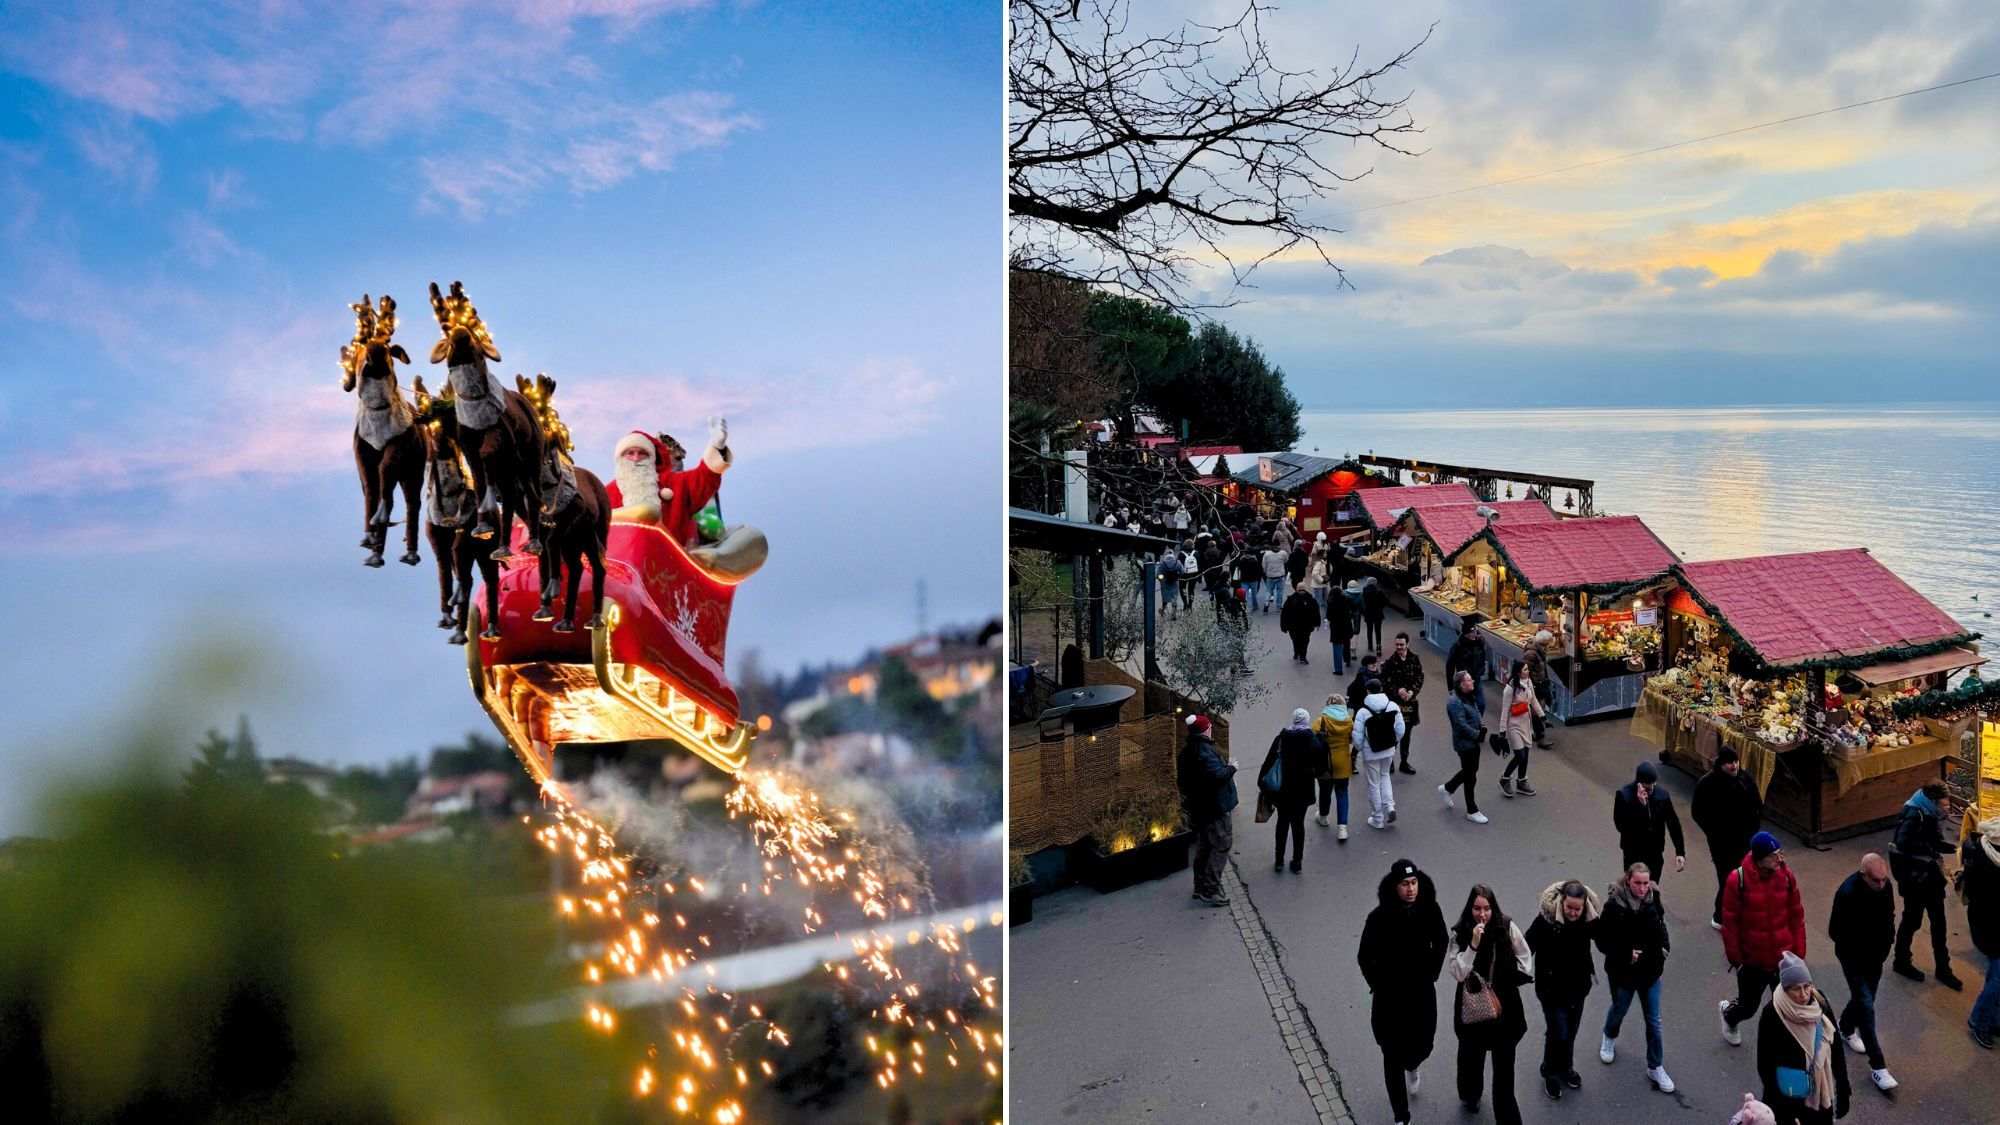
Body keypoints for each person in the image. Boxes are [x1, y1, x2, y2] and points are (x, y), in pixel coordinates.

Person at [1358, 859, 1449, 1125]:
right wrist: (1378, 983)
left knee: (1424, 1045)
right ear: (1394, 886)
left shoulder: (1429, 909)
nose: (1411, 889)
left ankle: (1414, 1064)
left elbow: (1442, 940)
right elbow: (1364, 956)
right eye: (1405, 884)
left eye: (1414, 883)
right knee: (1391, 1057)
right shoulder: (1378, 918)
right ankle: (1401, 1116)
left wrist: (1432, 972)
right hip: (1390, 1000)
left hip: (1420, 994)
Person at [1447, 884, 1531, 1123]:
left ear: (1493, 908)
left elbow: (1525, 959)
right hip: (1472, 1008)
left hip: (1504, 1010)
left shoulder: (1506, 927)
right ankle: (1471, 1095)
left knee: (1504, 1073)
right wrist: (1472, 945)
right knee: (1471, 1059)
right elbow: (1458, 973)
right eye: (1476, 908)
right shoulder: (1460, 933)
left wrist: (1509, 976)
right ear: (1469, 908)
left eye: (1486, 908)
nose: (1481, 914)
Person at [1720, 832, 1807, 1045]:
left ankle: (1781, 1045)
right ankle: (1729, 1016)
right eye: (1774, 856)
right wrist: (1736, 958)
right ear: (1760, 858)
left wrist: (1799, 952)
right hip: (1753, 960)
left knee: (1788, 1005)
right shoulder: (1737, 879)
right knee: (1748, 1007)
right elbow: (1730, 922)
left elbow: (1796, 914)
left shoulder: (1786, 876)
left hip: (1783, 958)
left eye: (1780, 854)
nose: (1780, 859)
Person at [1596, 861, 1675, 1093]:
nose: (1642, 888)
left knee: (1654, 1021)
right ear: (1628, 880)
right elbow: (1602, 940)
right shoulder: (1614, 905)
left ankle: (1655, 1065)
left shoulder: (1653, 898)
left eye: (1645, 883)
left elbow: (1661, 924)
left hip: (1650, 972)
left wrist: (1664, 948)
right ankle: (1609, 1036)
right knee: (1619, 1008)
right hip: (1623, 973)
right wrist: (1625, 954)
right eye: (1637, 883)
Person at [1827, 853, 1897, 1091]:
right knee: (1866, 1007)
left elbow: (1890, 918)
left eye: (1884, 879)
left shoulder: (1886, 887)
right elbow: (1835, 930)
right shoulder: (1847, 893)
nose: (1881, 884)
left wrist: (1887, 944)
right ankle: (1878, 1066)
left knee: (1864, 1001)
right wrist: (1855, 952)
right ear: (1864, 874)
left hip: (1875, 958)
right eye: (1876, 880)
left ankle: (1845, 1027)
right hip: (1854, 960)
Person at [1755, 953, 1850, 1125]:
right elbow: (1765, 1065)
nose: (1804, 994)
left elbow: (1835, 1046)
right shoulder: (1773, 1013)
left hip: (1818, 1091)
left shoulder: (1818, 1001)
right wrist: (1786, 1113)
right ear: (1785, 989)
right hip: (1786, 1095)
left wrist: (1843, 1086)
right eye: (1796, 989)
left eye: (1807, 986)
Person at [1526, 880, 1599, 1100]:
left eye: (1578, 908)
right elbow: (1526, 946)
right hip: (1551, 991)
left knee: (1571, 1032)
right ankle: (1550, 1072)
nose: (1573, 912)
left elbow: (1606, 941)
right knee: (1559, 1032)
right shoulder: (1545, 921)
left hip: (1578, 989)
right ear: (1561, 902)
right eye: (1569, 907)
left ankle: (1566, 1068)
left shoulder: (1588, 920)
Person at [1889, 781, 1963, 989]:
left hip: (1930, 877)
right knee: (1913, 921)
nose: (1948, 804)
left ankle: (1943, 968)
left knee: (1938, 924)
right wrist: (1932, 846)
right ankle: (1902, 961)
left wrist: (1947, 847)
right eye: (1945, 800)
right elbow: (1903, 842)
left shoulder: (1929, 812)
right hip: (1916, 879)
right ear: (1932, 801)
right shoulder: (1915, 814)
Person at [1693, 747, 1765, 928]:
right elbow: (1698, 813)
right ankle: (1720, 915)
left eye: (1735, 762)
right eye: (1729, 763)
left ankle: (1738, 912)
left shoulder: (1745, 779)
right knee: (1727, 878)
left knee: (1743, 877)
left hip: (1746, 840)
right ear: (1721, 763)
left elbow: (1757, 804)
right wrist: (1714, 832)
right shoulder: (1708, 784)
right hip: (1721, 843)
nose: (1733, 766)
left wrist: (1754, 829)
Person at [1176, 714, 1236, 907]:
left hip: (1199, 808)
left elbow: (1183, 783)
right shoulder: (1204, 751)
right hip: (1214, 808)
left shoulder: (1186, 753)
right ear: (1206, 729)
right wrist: (1232, 768)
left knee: (1204, 846)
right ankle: (1211, 889)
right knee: (1221, 844)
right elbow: (1217, 776)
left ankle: (1199, 885)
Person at [1258, 708, 1324, 873]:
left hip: (1282, 789)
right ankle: (1297, 862)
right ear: (1307, 721)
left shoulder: (1281, 738)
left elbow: (1269, 760)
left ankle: (1279, 860)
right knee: (1298, 825)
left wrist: (1262, 782)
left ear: (1294, 720)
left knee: (1282, 823)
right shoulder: (1312, 740)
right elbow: (1321, 767)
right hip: (1302, 791)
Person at [1962, 815, 2000, 1049]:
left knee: (1995, 978)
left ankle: (1993, 1019)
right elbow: (1990, 903)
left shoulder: (1985, 857)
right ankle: (1979, 1021)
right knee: (1998, 980)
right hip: (1993, 931)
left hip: (1991, 927)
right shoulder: (1987, 867)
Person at [1613, 760, 1687, 878]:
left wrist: (1680, 852)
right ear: (1639, 784)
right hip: (1633, 853)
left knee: (1653, 890)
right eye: (1648, 788)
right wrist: (1640, 807)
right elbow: (1621, 826)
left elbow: (1673, 823)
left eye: (1653, 785)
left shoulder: (1662, 796)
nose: (1651, 789)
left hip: (1654, 853)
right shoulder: (1624, 796)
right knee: (1635, 890)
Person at [1355, 681, 1406, 830]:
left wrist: (1361, 749)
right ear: (1381, 689)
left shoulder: (1363, 712)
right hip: (1388, 749)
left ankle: (1377, 818)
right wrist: (1392, 742)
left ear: (1368, 691)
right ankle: (1390, 807)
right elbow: (1401, 730)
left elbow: (1357, 739)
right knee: (1385, 777)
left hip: (1371, 752)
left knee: (1374, 783)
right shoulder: (1393, 706)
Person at [1440, 671, 1489, 824]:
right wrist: (1477, 734)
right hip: (1464, 744)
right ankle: (1472, 810)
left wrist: (1481, 728)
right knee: (1470, 776)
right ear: (1461, 685)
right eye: (1469, 680)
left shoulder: (1468, 697)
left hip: (1472, 742)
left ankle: (1448, 787)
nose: (1472, 681)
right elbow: (1460, 725)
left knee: (1471, 771)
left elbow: (1474, 715)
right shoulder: (1455, 702)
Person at [1380, 633, 1425, 773]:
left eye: (1402, 645)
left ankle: (1404, 762)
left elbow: (1420, 677)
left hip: (1410, 703)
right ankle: (1390, 761)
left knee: (1407, 733)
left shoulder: (1415, 659)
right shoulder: (1390, 662)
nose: (1399, 647)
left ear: (1408, 644)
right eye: (1397, 644)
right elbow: (1384, 681)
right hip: (1394, 703)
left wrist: (1412, 692)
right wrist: (1397, 691)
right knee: (1393, 733)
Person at [1312, 695, 1355, 840]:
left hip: (1325, 764)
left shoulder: (1320, 722)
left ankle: (1323, 816)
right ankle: (1342, 828)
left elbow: (1312, 741)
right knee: (1342, 793)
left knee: (1325, 791)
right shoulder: (1349, 722)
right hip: (1343, 763)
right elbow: (1351, 739)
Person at [1497, 660, 1541, 798]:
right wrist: (1502, 731)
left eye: (1527, 669)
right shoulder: (1509, 689)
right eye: (1525, 670)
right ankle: (1504, 779)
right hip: (1513, 725)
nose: (1528, 672)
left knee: (1526, 753)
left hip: (1525, 723)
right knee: (1520, 755)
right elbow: (1505, 710)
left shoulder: (1528, 682)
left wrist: (1542, 715)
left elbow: (1533, 699)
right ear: (1518, 672)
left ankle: (1521, 781)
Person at [1444, 622, 1490, 712]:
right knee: (1466, 706)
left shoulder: (1479, 643)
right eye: (1472, 633)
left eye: (1475, 631)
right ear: (1465, 634)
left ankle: (1476, 722)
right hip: (1463, 681)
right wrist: (1451, 687)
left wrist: (1481, 670)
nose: (1475, 634)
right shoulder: (1457, 647)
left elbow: (1482, 657)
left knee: (1481, 704)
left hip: (1476, 679)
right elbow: (1449, 667)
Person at [1524, 632, 1556, 747]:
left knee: (1538, 710)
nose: (1548, 646)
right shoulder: (1532, 653)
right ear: (1543, 642)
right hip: (1535, 685)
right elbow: (1525, 670)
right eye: (1547, 643)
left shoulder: (1538, 650)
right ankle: (1541, 737)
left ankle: (1537, 734)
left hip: (1540, 684)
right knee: (1537, 711)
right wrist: (1530, 685)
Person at [1279, 586, 1321, 664]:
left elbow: (1316, 612)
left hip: (1305, 626)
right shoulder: (1291, 600)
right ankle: (1297, 652)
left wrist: (1317, 623)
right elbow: (1285, 614)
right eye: (1300, 590)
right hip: (1294, 626)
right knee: (1296, 640)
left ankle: (1302, 656)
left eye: (1303, 590)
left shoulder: (1310, 600)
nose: (1301, 591)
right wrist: (1284, 625)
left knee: (1304, 641)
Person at [1324, 577, 1354, 675]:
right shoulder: (1346, 601)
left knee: (1337, 647)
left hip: (1336, 628)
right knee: (1347, 644)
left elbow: (1329, 616)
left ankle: (1338, 669)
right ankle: (1348, 660)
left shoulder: (1331, 603)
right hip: (1346, 626)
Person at [1258, 541, 1288, 613]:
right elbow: (1286, 561)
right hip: (1280, 575)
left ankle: (1266, 603)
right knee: (1280, 592)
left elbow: (1264, 566)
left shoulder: (1267, 554)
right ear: (1279, 545)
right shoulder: (1283, 553)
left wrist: (1266, 572)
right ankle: (1278, 606)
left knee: (1268, 590)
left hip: (1270, 576)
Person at [1362, 577, 1388, 653]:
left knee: (1369, 630)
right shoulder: (1378, 591)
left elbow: (1363, 600)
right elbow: (1386, 601)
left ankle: (1370, 645)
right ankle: (1378, 646)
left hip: (1368, 613)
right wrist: (1381, 607)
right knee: (1378, 630)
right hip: (1378, 613)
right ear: (1375, 583)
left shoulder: (1364, 590)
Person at [1305, 544, 1332, 612]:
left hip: (1324, 584)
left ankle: (1327, 615)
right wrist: (1322, 580)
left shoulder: (1324, 562)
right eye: (1325, 553)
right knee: (1318, 600)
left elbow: (1330, 569)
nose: (1326, 554)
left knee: (1326, 600)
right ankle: (1315, 614)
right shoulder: (1318, 563)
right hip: (1319, 585)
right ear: (1322, 554)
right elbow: (1314, 574)